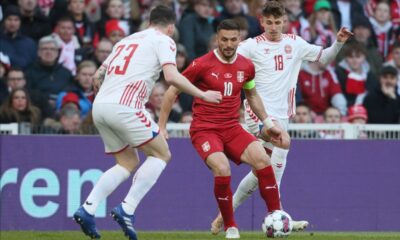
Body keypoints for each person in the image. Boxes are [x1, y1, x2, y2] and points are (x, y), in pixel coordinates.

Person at [72, 5, 221, 240]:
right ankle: (126, 209)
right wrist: (203, 95)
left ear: (149, 21)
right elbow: (171, 77)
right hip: (126, 105)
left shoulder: (126, 40)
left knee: (127, 162)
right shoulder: (164, 40)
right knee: (162, 154)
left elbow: (97, 76)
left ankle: (88, 208)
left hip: (100, 107)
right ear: (171, 26)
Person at [210, 1, 353, 234]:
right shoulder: (251, 46)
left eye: (278, 22)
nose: (274, 27)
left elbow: (324, 58)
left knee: (260, 171)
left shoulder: (295, 43)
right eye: (269, 22)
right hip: (258, 114)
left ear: (284, 21)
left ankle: (223, 217)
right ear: (262, 22)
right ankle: (277, 213)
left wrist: (338, 42)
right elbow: (224, 57)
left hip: (283, 114)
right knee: (283, 140)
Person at [158, 19, 288, 239]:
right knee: (222, 168)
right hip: (205, 129)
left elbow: (252, 95)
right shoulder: (201, 64)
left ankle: (277, 217)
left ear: (240, 39)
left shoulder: (246, 66)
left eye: (233, 40)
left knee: (263, 161)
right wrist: (161, 126)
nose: (228, 44)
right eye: (224, 40)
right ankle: (230, 226)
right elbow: (172, 92)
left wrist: (268, 123)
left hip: (231, 127)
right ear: (217, 39)